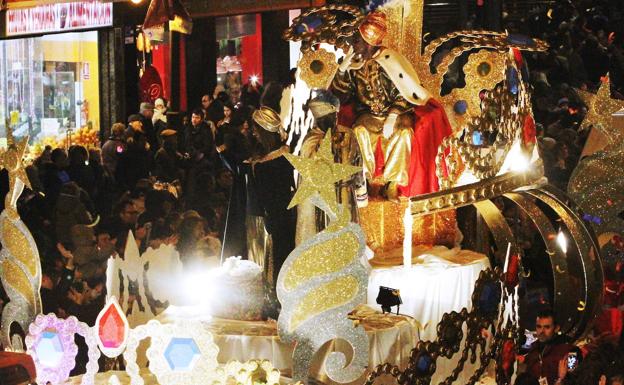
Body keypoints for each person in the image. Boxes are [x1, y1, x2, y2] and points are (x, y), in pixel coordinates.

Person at [331, 10, 452, 200]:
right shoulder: (354, 65)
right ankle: (366, 181)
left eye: (358, 40)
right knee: (359, 132)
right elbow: (341, 96)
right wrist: (342, 71)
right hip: (368, 115)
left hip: (397, 115)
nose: (354, 45)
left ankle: (393, 183)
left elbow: (406, 92)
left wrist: (393, 115)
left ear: (368, 42)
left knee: (404, 134)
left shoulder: (391, 60)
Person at [295, 91, 365, 245]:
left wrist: (360, 191)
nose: (333, 120)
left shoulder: (348, 135)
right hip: (321, 203)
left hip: (344, 196)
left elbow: (358, 165)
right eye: (330, 118)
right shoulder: (312, 141)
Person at [250, 106, 296, 291]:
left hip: (277, 218)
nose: (254, 134)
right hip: (291, 215)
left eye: (256, 130)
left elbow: (266, 197)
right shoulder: (288, 153)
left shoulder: (265, 165)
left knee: (280, 259)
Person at [522, 308, 580, 385]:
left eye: (547, 327)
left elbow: (575, 381)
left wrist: (561, 379)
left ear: (556, 328)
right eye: (539, 326)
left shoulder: (570, 351)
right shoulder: (533, 350)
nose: (542, 331)